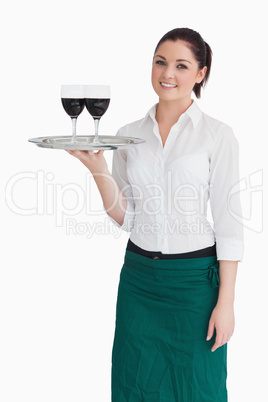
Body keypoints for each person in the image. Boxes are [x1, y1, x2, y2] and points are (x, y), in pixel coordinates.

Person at [66, 27, 244, 402]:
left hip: (195, 285)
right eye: (160, 62)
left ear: (200, 73)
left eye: (182, 65)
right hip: (139, 280)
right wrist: (96, 168)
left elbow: (229, 224)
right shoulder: (128, 135)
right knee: (134, 386)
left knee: (200, 388)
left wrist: (225, 303)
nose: (167, 74)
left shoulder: (217, 135)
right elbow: (125, 216)